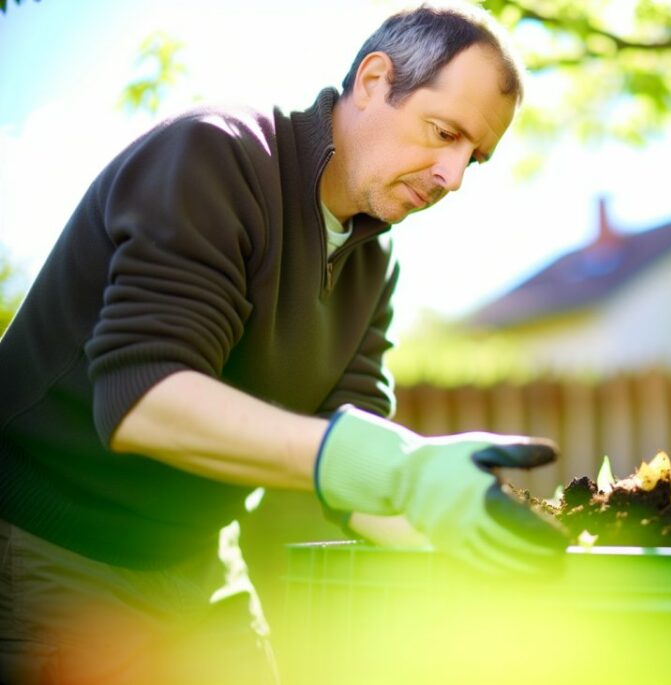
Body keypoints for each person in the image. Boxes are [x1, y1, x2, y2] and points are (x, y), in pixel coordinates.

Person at [0, 3, 565, 684]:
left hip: (200, 559)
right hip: (52, 549)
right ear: (374, 81)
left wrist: (459, 537)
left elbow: (351, 460)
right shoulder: (215, 155)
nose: (453, 176)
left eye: (474, 156)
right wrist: (396, 469)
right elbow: (141, 398)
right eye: (444, 133)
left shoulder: (373, 261)